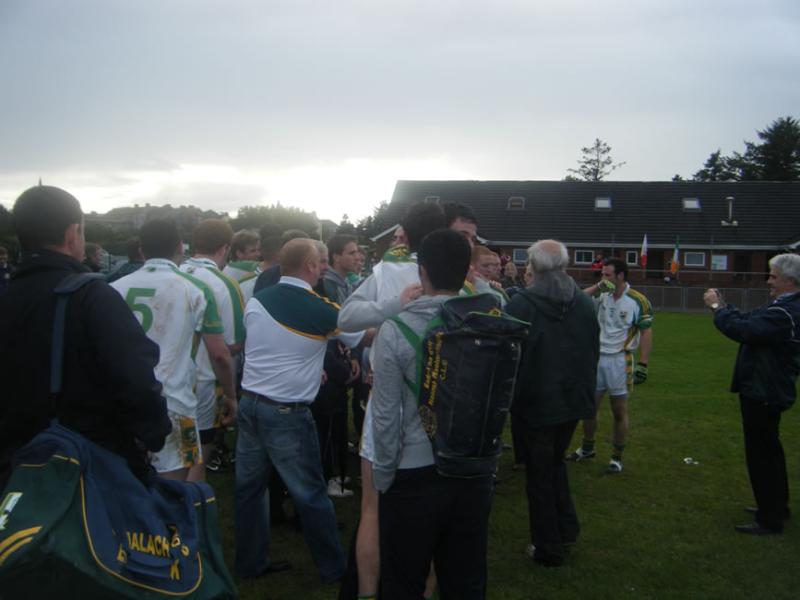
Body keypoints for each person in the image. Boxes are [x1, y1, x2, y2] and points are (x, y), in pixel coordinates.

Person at [0, 185, 170, 487]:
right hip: (86, 468)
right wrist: (151, 435)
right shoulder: (91, 296)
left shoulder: (9, 294)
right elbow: (135, 379)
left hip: (15, 469)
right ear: (73, 234)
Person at [235, 238, 367, 582]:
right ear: (308, 265)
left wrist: (309, 365)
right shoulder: (316, 306)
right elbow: (360, 337)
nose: (323, 268)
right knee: (310, 492)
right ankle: (333, 569)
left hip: (250, 403)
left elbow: (273, 346)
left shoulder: (258, 298)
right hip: (285, 412)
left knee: (249, 490)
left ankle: (249, 562)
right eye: (319, 262)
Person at [371, 228, 492, 599]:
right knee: (465, 581)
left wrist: (383, 477)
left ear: (421, 271)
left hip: (414, 470)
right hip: (472, 467)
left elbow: (385, 414)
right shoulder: (490, 323)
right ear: (466, 270)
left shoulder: (395, 329)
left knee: (402, 579)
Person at [337, 202, 445, 600]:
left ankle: (368, 593)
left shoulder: (385, 270)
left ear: (406, 235)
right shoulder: (457, 274)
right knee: (433, 515)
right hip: (437, 405)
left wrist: (390, 308)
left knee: (372, 509)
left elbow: (345, 319)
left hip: (387, 398)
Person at [111, 220, 230, 481]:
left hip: (122, 401)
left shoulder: (113, 288)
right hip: (175, 403)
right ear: (179, 247)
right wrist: (231, 397)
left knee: (127, 485)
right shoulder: (196, 289)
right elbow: (219, 354)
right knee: (175, 491)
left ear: (141, 250)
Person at [506, 240, 599, 567]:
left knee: (539, 474)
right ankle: (566, 529)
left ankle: (548, 547)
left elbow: (508, 358)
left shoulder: (521, 305)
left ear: (533, 266)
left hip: (536, 403)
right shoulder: (584, 303)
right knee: (554, 463)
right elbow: (592, 351)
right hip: (573, 400)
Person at [703, 254, 800, 535]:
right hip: (767, 388)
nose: (768, 280)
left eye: (773, 276)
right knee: (771, 450)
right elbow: (750, 319)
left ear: (790, 280)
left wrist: (717, 308)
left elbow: (743, 329)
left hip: (764, 389)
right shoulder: (783, 306)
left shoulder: (786, 312)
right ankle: (776, 506)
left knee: (761, 455)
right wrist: (725, 307)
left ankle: (769, 519)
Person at [567, 257, 653, 474]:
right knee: (589, 408)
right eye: (602, 274)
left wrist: (643, 363)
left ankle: (616, 457)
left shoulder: (637, 300)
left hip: (619, 360)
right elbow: (576, 299)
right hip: (596, 358)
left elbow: (646, 332)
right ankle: (587, 448)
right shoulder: (602, 295)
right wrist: (598, 286)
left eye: (607, 275)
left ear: (620, 276)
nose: (603, 278)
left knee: (618, 410)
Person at [180, 219, 241, 480]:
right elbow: (230, 347)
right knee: (196, 456)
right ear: (226, 248)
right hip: (202, 382)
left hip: (163, 378)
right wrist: (231, 394)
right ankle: (192, 503)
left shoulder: (173, 273)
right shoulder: (223, 283)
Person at [324, 234, 360, 304]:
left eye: (357, 253)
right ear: (336, 257)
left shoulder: (346, 283)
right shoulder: (326, 287)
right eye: (352, 253)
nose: (357, 257)